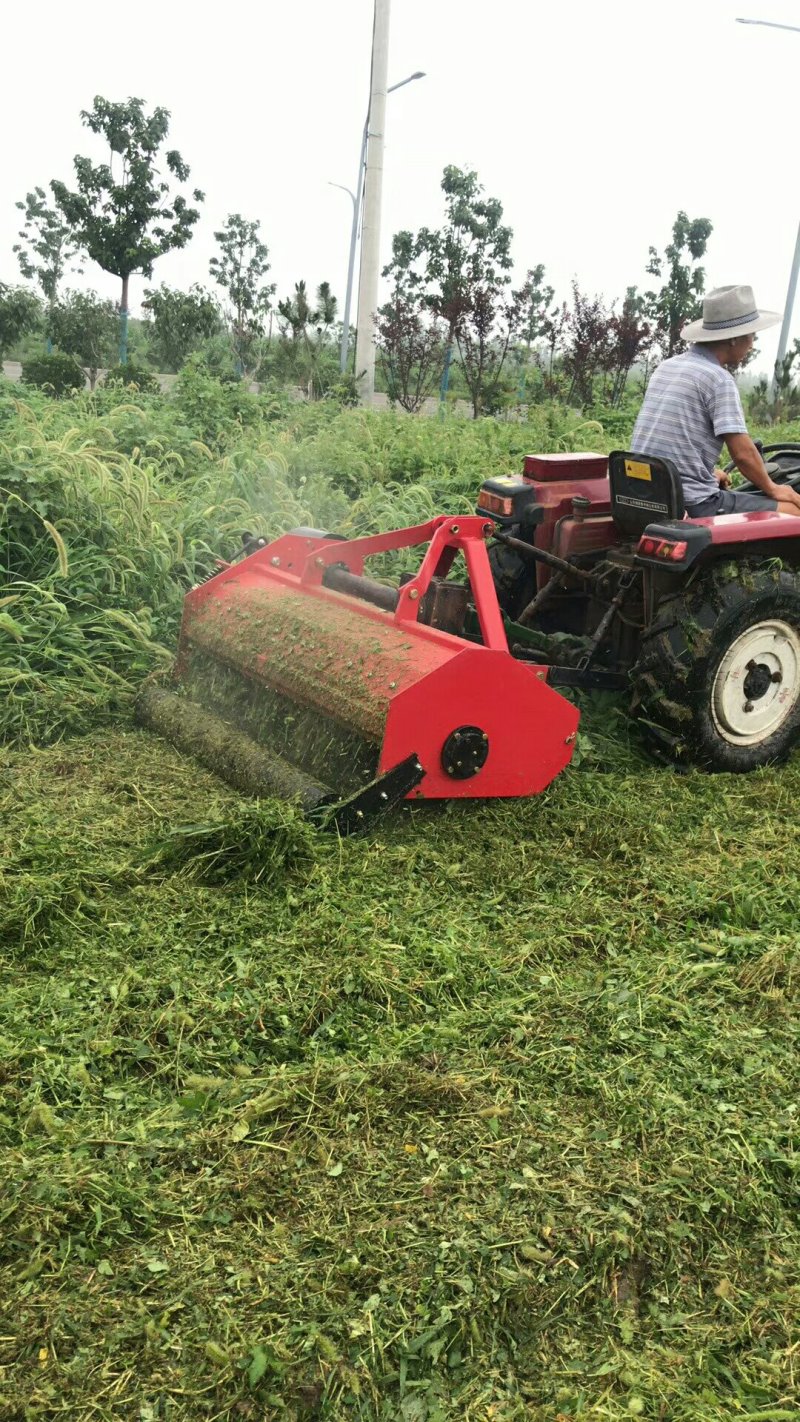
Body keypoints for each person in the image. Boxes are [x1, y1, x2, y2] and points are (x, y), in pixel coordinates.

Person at [631, 284, 800, 517]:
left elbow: (669, 442)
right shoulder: (718, 379)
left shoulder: (666, 367)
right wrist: (774, 488)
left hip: (646, 492)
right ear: (733, 338)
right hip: (690, 502)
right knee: (792, 510)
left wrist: (706, 475)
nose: (752, 344)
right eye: (751, 335)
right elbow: (742, 454)